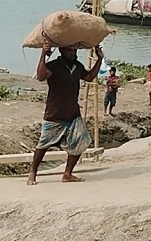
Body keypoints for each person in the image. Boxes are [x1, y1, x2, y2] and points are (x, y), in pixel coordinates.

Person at [27, 41, 103, 186]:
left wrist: (99, 59)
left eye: (74, 50)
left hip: (73, 113)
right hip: (55, 114)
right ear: (62, 51)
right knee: (43, 145)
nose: (73, 53)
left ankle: (67, 173)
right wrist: (43, 54)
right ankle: (33, 173)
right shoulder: (53, 66)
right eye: (69, 50)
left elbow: (89, 77)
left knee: (82, 141)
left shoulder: (77, 66)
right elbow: (41, 76)